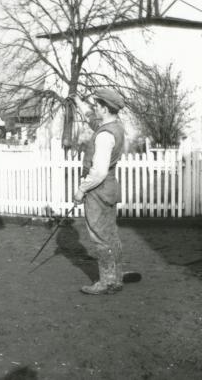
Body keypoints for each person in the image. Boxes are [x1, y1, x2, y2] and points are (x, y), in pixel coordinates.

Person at [73, 88, 126, 295]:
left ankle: (106, 282)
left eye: (97, 105)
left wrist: (80, 190)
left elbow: (98, 172)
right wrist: (78, 101)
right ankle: (117, 276)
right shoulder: (114, 127)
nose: (94, 108)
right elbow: (91, 120)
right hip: (110, 189)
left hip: (98, 190)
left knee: (99, 237)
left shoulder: (104, 136)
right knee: (111, 234)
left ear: (105, 109)